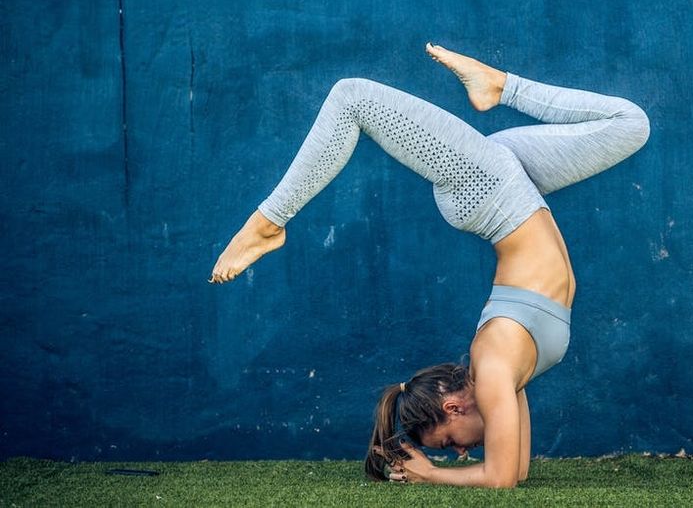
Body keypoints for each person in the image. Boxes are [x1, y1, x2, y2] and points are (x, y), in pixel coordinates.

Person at [209, 43, 650, 487]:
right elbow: (512, 470)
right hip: (514, 185)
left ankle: (270, 221)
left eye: (447, 443)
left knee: (352, 96)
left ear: (453, 408)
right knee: (631, 125)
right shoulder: (504, 378)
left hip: (490, 189)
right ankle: (500, 86)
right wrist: (433, 468)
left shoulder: (493, 364)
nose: (461, 451)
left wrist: (431, 474)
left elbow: (498, 479)